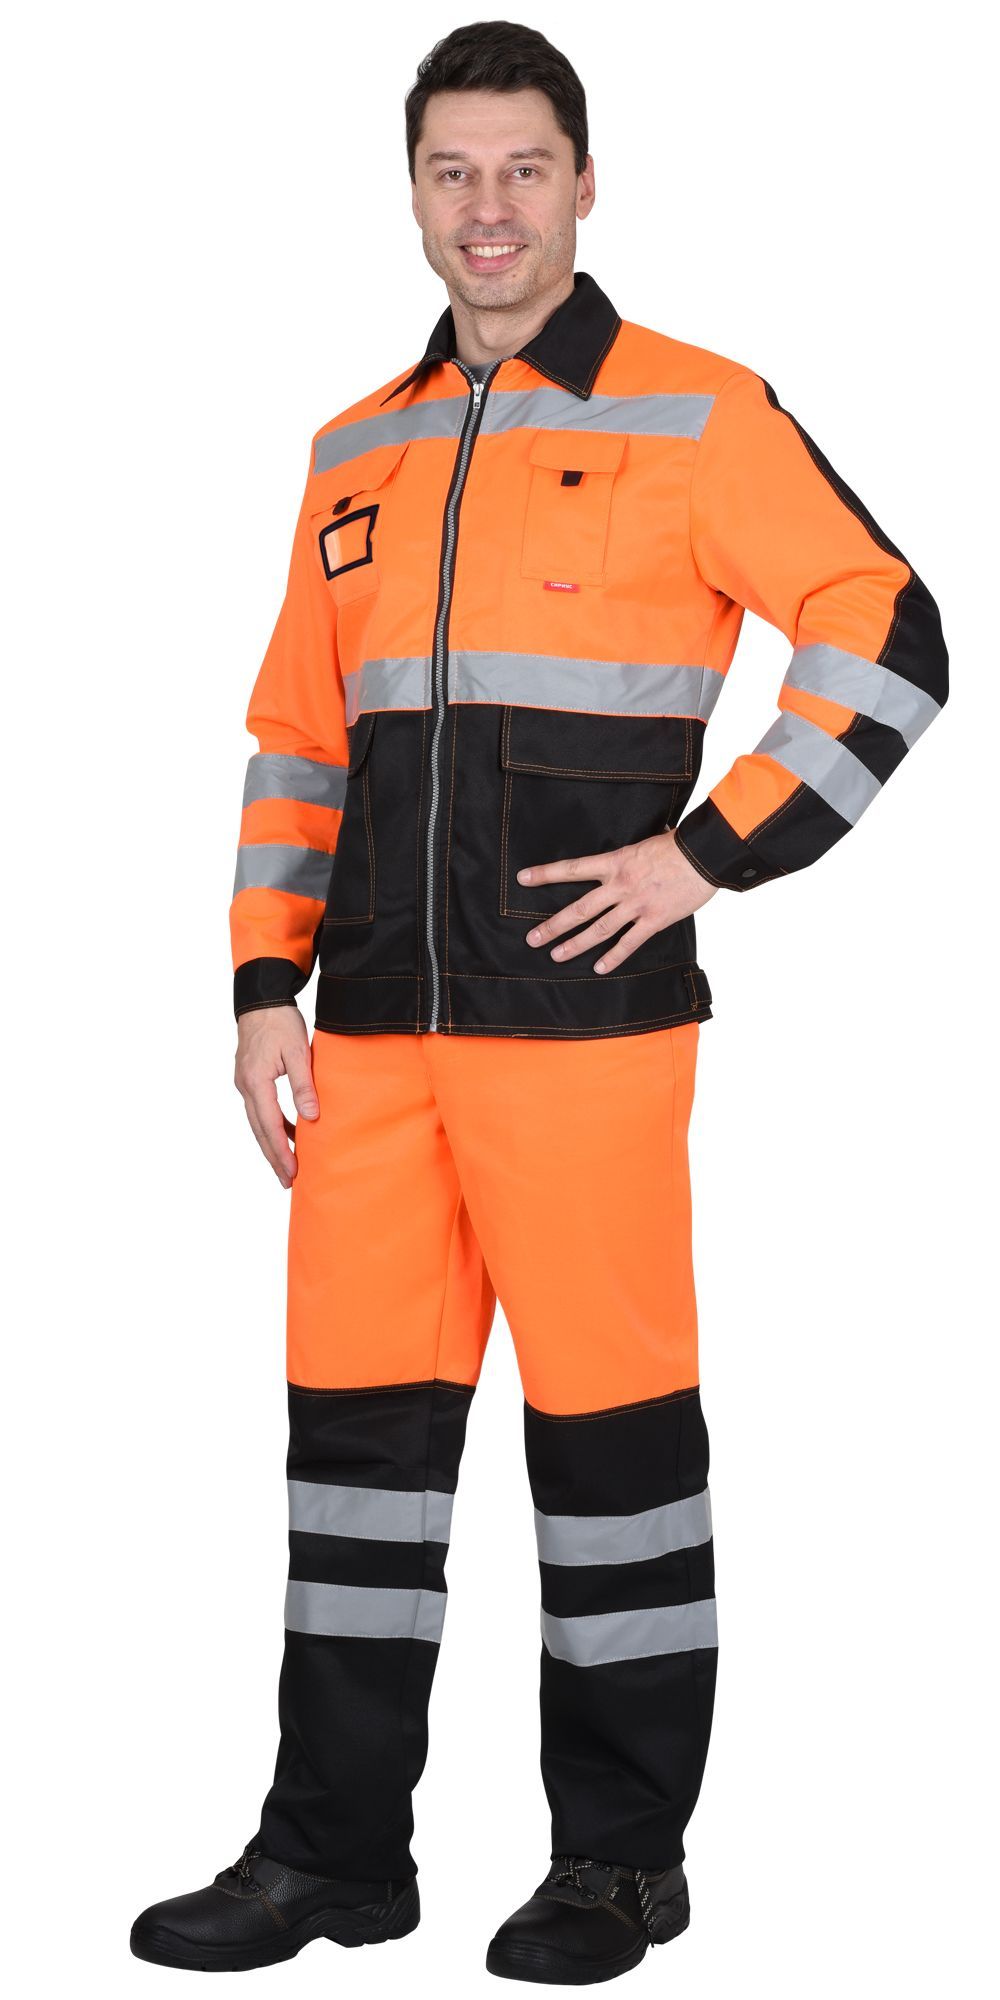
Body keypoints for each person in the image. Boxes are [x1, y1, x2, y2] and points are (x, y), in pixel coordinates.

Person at [130, 18, 949, 1985]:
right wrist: (261, 988)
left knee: (608, 1460)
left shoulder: (697, 411)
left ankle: (622, 1862)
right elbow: (296, 743)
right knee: (354, 1462)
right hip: (371, 1047)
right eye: (451, 171)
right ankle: (334, 1853)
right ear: (411, 193)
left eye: (522, 168)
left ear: (587, 183)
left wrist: (712, 853)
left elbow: (890, 634)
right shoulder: (351, 449)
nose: (485, 208)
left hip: (583, 1046)